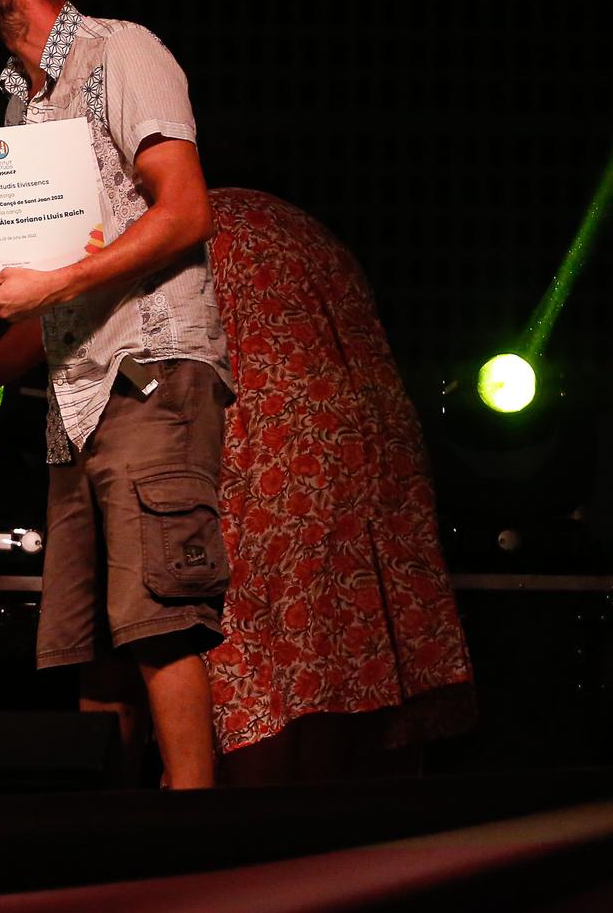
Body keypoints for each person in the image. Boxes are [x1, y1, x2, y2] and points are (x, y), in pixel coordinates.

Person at [0, 0, 232, 789]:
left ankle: (197, 849)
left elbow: (187, 211)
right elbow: (56, 284)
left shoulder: (120, 51)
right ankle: (113, 853)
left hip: (148, 372)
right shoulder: (19, 105)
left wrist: (54, 284)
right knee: (97, 644)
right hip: (77, 392)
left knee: (159, 626)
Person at [204, 188, 475, 783]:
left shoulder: (196, 225)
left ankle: (263, 850)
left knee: (269, 656)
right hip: (377, 441)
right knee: (361, 653)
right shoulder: (314, 230)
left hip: (279, 443)